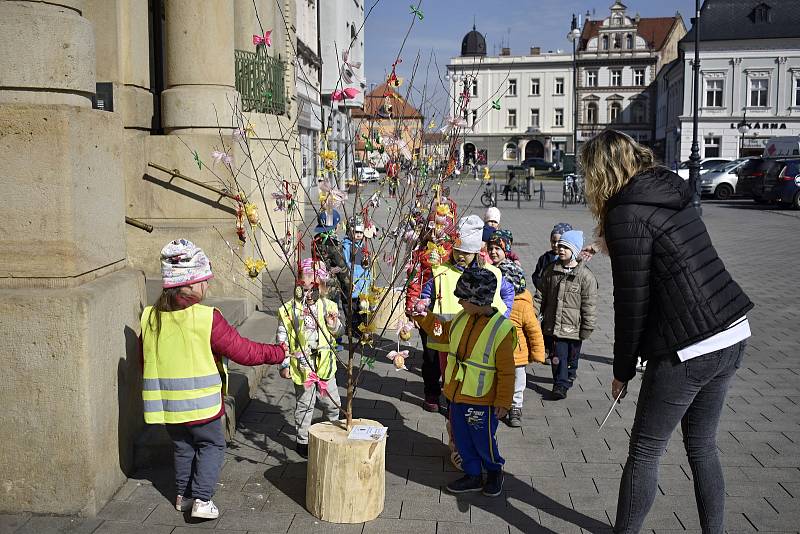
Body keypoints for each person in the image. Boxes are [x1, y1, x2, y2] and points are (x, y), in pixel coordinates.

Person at [580, 130, 753, 534]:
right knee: (702, 446)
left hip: (691, 346)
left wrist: (622, 369)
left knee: (644, 450)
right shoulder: (669, 192)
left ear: (600, 172)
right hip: (731, 330)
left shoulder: (625, 212)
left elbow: (632, 300)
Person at [141, 239, 287, 519]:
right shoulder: (207, 318)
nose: (208, 286)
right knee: (211, 445)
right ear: (192, 284)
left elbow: (144, 359)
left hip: (168, 408)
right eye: (205, 280)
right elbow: (242, 351)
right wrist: (277, 352)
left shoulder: (149, 317)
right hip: (202, 406)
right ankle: (203, 500)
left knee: (183, 447)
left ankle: (183, 496)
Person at [414, 268, 517, 497]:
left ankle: (493, 472)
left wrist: (503, 400)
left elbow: (507, 372)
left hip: (482, 398)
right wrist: (426, 318)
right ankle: (472, 474)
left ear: (478, 300)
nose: (459, 301)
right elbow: (443, 333)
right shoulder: (464, 316)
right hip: (456, 394)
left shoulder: (501, 329)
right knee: (461, 437)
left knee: (482, 439)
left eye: (463, 298)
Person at [418, 215, 514, 412]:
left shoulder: (490, 273)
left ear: (476, 251)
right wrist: (422, 306)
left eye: (466, 253)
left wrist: (505, 314)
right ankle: (451, 410)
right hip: (445, 338)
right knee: (448, 375)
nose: (460, 256)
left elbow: (507, 292)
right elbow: (426, 292)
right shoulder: (440, 270)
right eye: (457, 251)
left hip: (479, 340)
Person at [277, 259, 344, 459]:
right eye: (303, 278)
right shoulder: (290, 309)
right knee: (305, 404)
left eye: (313, 280)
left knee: (333, 402)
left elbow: (338, 332)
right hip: (302, 365)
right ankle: (303, 440)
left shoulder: (329, 305)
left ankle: (329, 432)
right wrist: (285, 362)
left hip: (324, 364)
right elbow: (283, 337)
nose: (307, 283)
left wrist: (333, 325)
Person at [534, 229, 598, 400]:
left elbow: (589, 305)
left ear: (575, 251)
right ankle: (560, 385)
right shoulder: (551, 271)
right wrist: (534, 313)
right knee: (558, 356)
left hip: (574, 328)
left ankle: (569, 374)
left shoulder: (585, 277)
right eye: (560, 246)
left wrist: (587, 328)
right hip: (554, 326)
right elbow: (540, 295)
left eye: (566, 247)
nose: (561, 249)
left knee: (571, 357)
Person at [493, 260, 545, 428]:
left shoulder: (523, 305)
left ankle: (515, 407)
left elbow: (534, 330)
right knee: (497, 379)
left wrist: (538, 353)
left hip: (517, 355)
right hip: (495, 352)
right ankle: (498, 403)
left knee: (518, 381)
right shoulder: (494, 302)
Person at [341, 217, 371, 339]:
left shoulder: (363, 246)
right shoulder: (347, 246)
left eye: (360, 232)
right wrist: (350, 280)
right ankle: (352, 329)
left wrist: (368, 279)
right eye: (356, 232)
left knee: (362, 308)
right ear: (349, 232)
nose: (358, 235)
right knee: (351, 309)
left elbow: (366, 265)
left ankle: (362, 330)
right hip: (352, 283)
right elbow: (346, 263)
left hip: (362, 284)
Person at [531, 222, 572, 288]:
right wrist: (540, 285)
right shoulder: (544, 258)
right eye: (554, 241)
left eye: (559, 242)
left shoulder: (570, 260)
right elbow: (536, 275)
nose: (555, 245)